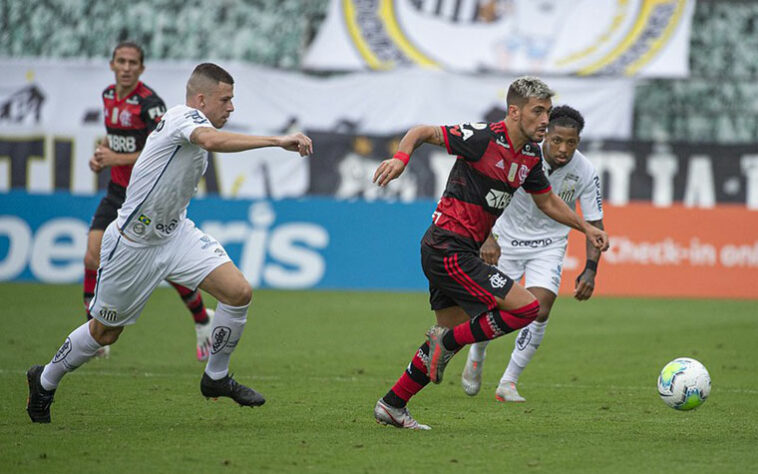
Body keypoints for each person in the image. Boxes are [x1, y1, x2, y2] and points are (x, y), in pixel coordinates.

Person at [26, 62, 314, 423]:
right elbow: (210, 141)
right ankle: (45, 379)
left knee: (238, 292)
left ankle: (216, 377)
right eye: (225, 99)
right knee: (104, 333)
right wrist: (276, 140)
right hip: (133, 243)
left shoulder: (197, 123)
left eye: (232, 99)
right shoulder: (182, 117)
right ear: (201, 99)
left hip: (176, 234)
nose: (231, 107)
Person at [371, 77, 609, 430]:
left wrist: (585, 227)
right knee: (527, 307)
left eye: (547, 111)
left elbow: (546, 201)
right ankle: (448, 343)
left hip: (453, 249)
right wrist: (402, 158)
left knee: (447, 332)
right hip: (448, 247)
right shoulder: (483, 138)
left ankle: (393, 404)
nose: (545, 119)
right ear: (515, 112)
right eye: (538, 111)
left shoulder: (529, 155)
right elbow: (422, 131)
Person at [460, 105, 604, 402]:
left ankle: (508, 382)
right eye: (556, 141)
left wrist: (591, 268)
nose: (563, 149)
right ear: (545, 134)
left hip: (548, 245)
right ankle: (477, 351)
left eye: (571, 142)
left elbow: (594, 224)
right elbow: (480, 192)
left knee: (540, 309)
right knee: (491, 309)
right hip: (505, 243)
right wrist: (487, 237)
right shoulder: (521, 156)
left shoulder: (586, 172)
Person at [85, 41, 214, 361]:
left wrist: (117, 156)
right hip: (117, 192)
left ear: (141, 68)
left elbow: (158, 147)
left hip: (146, 198)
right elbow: (116, 138)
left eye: (133, 63)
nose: (126, 67)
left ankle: (202, 320)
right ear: (112, 64)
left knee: (166, 267)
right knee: (92, 256)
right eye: (121, 61)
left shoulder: (151, 104)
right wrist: (104, 156)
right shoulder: (108, 96)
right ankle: (94, 332)